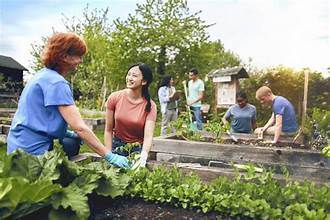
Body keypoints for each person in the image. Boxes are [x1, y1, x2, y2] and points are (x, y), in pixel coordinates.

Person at [7, 32, 129, 168]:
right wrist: (109, 155)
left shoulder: (41, 76)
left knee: (72, 143)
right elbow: (80, 127)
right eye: (78, 56)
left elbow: (39, 117)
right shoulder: (57, 83)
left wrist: (67, 133)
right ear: (65, 57)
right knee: (72, 145)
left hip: (17, 144)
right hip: (33, 153)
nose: (80, 61)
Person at [104, 63, 157, 168]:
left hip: (137, 148)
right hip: (117, 145)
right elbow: (108, 130)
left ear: (144, 81)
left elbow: (148, 136)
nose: (130, 78)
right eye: (129, 74)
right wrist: (108, 154)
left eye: (134, 76)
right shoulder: (115, 97)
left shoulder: (150, 106)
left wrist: (144, 155)